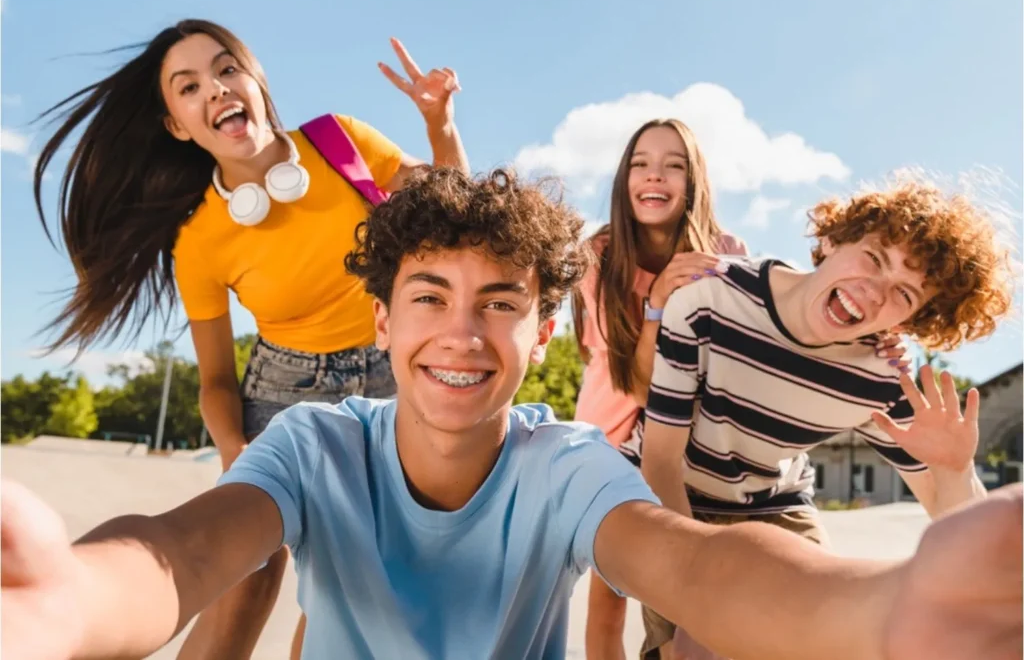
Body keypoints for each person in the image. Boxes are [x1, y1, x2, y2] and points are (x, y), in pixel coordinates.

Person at [3, 167, 1020, 660]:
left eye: (500, 304)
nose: (462, 334)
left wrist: (886, 607)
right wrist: (71, 598)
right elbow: (180, 550)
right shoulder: (314, 443)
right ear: (382, 318)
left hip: (763, 528)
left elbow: (697, 557)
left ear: (543, 334)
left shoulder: (563, 460)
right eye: (429, 297)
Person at [30, 19, 469, 660]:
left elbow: (458, 215)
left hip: (394, 381)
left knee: (359, 593)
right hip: (283, 393)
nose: (216, 89)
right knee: (243, 583)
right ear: (178, 125)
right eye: (189, 86)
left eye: (227, 68)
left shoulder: (340, 141)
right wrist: (236, 449)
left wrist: (440, 124)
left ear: (256, 81)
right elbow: (215, 379)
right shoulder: (201, 240)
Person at [635, 178, 1016, 659]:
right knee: (692, 650)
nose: (874, 292)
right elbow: (661, 462)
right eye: (874, 258)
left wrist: (953, 468)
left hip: (777, 510)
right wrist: (692, 597)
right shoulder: (709, 300)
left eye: (903, 294)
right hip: (680, 499)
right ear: (834, 239)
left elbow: (961, 525)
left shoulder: (880, 380)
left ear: (908, 323)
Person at [573, 119, 908, 660]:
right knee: (610, 599)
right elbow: (635, 387)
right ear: (623, 178)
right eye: (640, 163)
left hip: (694, 433)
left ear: (693, 182)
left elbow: (780, 320)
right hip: (620, 428)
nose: (654, 175)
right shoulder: (601, 257)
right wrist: (658, 302)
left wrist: (870, 334)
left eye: (673, 165)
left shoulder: (724, 249)